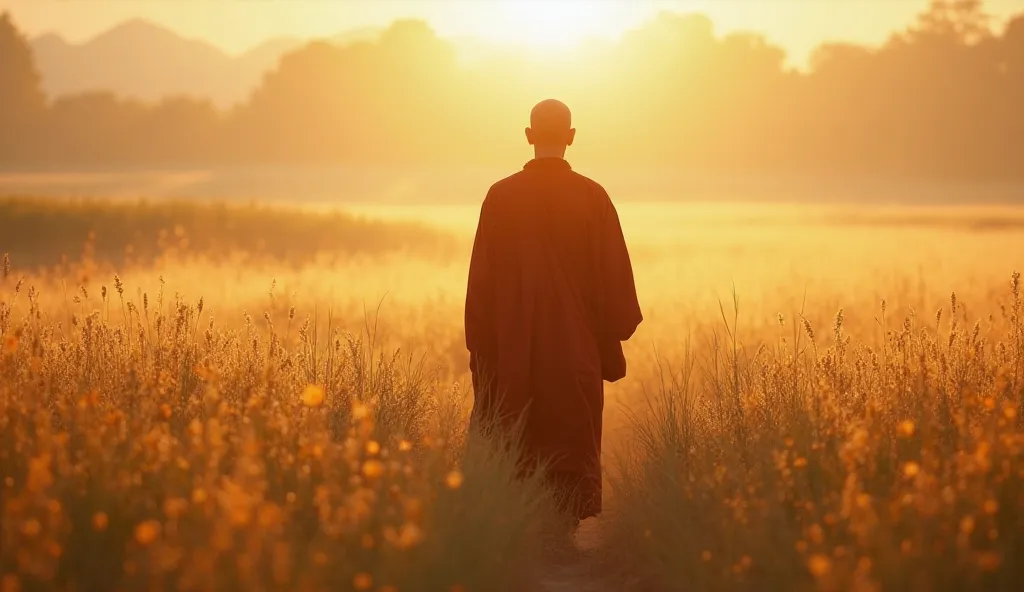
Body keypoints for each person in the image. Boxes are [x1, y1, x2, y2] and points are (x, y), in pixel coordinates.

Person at [464, 99, 643, 542]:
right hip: (574, 347)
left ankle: (521, 539)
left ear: (528, 134)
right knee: (569, 433)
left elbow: (480, 281)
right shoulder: (592, 197)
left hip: (512, 350)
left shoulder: (500, 196)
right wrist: (606, 334)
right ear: (571, 136)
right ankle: (561, 533)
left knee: (516, 432)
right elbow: (615, 284)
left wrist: (485, 345)